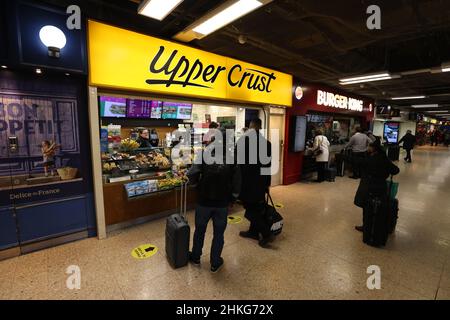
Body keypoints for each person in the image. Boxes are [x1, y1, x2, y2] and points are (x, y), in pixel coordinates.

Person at [187, 129, 241, 273]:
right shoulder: (232, 156)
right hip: (222, 202)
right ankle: (215, 262)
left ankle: (196, 256)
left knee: (199, 230)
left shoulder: (203, 153)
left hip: (203, 200)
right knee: (219, 234)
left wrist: (196, 186)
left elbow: (192, 173)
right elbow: (237, 181)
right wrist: (233, 198)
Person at [237, 118, 273, 248]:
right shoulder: (267, 144)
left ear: (250, 127)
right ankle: (253, 232)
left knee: (250, 210)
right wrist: (267, 183)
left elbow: (237, 164)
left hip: (247, 183)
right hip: (261, 182)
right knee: (256, 207)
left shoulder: (242, 142)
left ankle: (266, 232)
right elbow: (268, 166)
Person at [352, 141, 400, 232]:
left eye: (369, 146)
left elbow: (357, 161)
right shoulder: (384, 158)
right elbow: (396, 170)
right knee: (378, 207)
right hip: (381, 187)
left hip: (370, 187)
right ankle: (375, 227)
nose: (368, 148)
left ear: (373, 148)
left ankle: (366, 226)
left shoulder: (371, 159)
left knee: (368, 207)